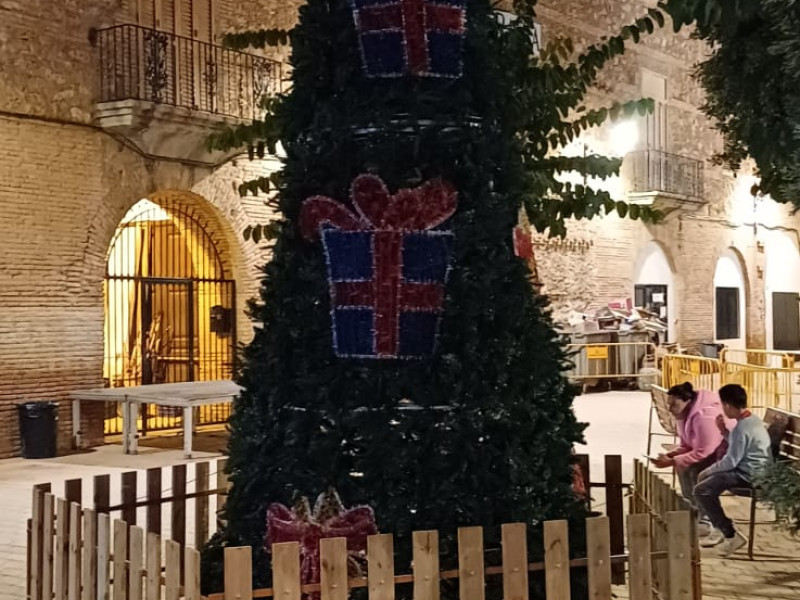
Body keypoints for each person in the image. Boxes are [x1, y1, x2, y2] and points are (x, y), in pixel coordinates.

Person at [694, 384, 772, 557]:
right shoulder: (752, 420)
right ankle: (720, 528)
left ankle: (729, 533)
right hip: (755, 470)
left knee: (702, 490)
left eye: (723, 405)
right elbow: (740, 448)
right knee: (706, 486)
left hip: (749, 475)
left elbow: (730, 461)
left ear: (728, 405)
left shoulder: (741, 428)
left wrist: (708, 471)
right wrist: (724, 432)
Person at [650, 382, 733, 535]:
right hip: (715, 454)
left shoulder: (705, 416)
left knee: (696, 470)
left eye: (674, 405)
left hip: (729, 456)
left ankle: (705, 519)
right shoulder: (685, 415)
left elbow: (703, 451)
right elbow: (687, 446)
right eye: (669, 405)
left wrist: (671, 461)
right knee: (684, 467)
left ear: (687, 401)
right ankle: (695, 512)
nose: (670, 410)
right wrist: (671, 456)